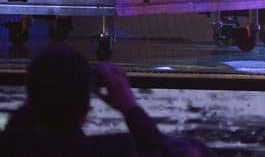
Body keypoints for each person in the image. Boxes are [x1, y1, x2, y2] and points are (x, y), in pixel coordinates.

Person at [0, 46, 171, 155]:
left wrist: (43, 90)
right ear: (86, 110)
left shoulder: (12, 147)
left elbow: (14, 133)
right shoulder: (117, 149)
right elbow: (168, 150)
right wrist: (129, 107)